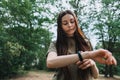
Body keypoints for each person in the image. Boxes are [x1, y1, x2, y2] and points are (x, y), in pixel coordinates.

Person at [46, 10, 117, 80]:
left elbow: (95, 76)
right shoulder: (55, 44)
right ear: (60, 26)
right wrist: (84, 55)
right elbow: (50, 62)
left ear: (76, 23)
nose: (70, 25)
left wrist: (92, 64)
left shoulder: (86, 42)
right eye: (65, 23)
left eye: (72, 21)